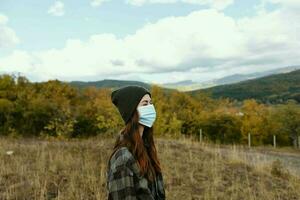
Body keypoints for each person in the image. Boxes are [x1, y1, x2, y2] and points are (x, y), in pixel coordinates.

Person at [106, 85, 166, 200]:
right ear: (132, 111)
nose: (151, 108)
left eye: (150, 103)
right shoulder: (123, 157)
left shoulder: (146, 147)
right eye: (145, 104)